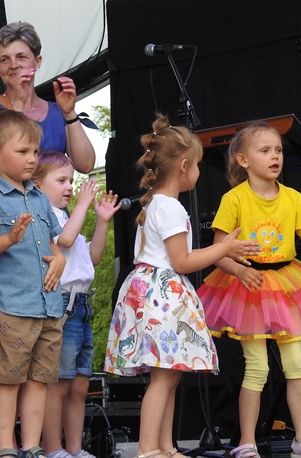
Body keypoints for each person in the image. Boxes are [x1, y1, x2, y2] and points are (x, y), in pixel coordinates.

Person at [196, 121, 301, 458]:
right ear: (243, 160)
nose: (275, 157)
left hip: (286, 285)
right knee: (257, 367)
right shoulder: (234, 199)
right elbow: (219, 251)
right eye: (265, 150)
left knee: (296, 364)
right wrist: (240, 270)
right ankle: (247, 442)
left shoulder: (293, 198)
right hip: (249, 285)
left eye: (279, 150)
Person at [104, 114, 259, 458]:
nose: (199, 171)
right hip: (161, 297)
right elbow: (182, 262)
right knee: (163, 379)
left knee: (169, 376)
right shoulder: (170, 208)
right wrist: (224, 248)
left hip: (153, 293)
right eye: (198, 165)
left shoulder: (155, 204)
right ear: (185, 166)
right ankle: (148, 449)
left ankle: (165, 446)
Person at [0, 109, 67, 458]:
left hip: (48, 306)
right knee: (7, 382)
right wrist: (9, 239)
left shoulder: (39, 197)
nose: (32, 159)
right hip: (10, 307)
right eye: (23, 151)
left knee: (39, 380)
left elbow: (54, 244)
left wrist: (60, 259)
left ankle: (32, 446)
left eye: (35, 151)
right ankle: (5, 448)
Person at [33, 151, 122, 458]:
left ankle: (74, 448)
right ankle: (53, 448)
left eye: (71, 180)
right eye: (61, 180)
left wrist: (102, 222)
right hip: (61, 305)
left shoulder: (67, 216)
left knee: (80, 385)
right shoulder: (45, 214)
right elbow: (66, 241)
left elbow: (93, 258)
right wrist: (83, 206)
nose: (70, 187)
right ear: (37, 184)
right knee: (59, 382)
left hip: (81, 306)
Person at [0, 21, 95, 174]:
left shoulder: (57, 112)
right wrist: (19, 103)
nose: (13, 65)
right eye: (5, 59)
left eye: (21, 57)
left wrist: (69, 113)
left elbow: (85, 165)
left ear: (37, 62)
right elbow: (4, 160)